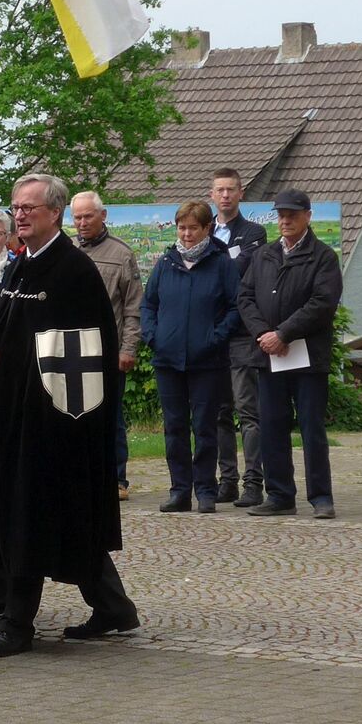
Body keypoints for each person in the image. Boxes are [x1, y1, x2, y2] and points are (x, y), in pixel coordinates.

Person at [0, 174, 137, 656]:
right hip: (11, 415)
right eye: (15, 207)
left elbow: (81, 353)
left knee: (35, 516)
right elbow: (3, 329)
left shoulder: (73, 272)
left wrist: (18, 370)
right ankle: (113, 607)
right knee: (54, 517)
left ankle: (17, 623)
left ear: (55, 213)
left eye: (29, 207)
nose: (20, 215)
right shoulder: (20, 267)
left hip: (55, 422)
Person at [239, 190, 342, 519]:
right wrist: (264, 334)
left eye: (292, 215)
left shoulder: (323, 257)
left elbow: (322, 303)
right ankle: (280, 495)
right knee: (272, 426)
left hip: (308, 357)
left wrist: (284, 333)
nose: (285, 220)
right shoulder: (264, 255)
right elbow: (245, 297)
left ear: (308, 216)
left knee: (312, 429)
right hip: (269, 356)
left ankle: (321, 497)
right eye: (281, 215)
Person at [139, 199, 242, 513]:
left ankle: (206, 491)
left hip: (207, 361)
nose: (186, 234)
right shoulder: (166, 263)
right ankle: (180, 491)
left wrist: (215, 338)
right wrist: (153, 336)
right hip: (168, 360)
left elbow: (236, 307)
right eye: (182, 228)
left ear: (207, 228)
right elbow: (148, 305)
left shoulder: (221, 264)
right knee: (174, 428)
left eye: (193, 228)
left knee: (205, 428)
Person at [71, 192, 143, 501]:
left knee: (111, 418)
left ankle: (117, 479)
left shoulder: (121, 254)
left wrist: (128, 349)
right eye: (77, 217)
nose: (82, 222)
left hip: (107, 353)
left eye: (88, 216)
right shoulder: (66, 250)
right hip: (71, 351)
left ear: (103, 216)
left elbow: (133, 307)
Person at [208, 169, 268, 507]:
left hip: (243, 334)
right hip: (213, 333)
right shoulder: (204, 230)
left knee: (248, 411)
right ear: (212, 194)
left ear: (241, 193)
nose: (225, 195)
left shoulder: (254, 233)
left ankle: (253, 482)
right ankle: (226, 480)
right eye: (220, 190)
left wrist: (215, 262)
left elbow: (240, 269)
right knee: (219, 412)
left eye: (231, 189)